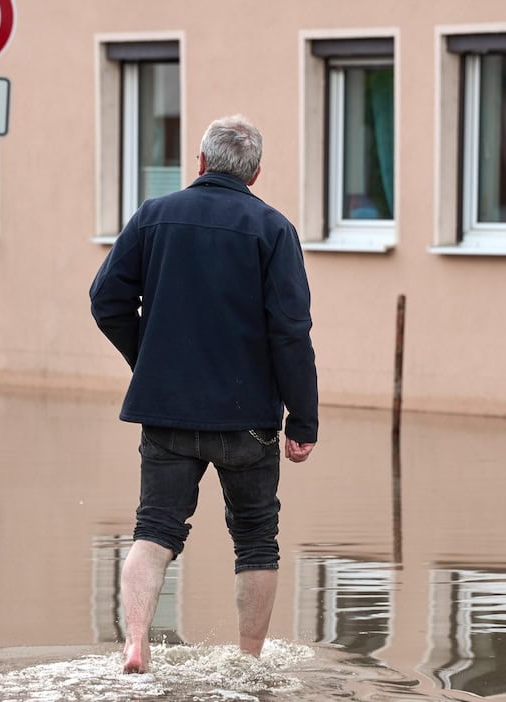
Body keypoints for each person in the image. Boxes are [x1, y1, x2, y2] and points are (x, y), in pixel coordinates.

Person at [89, 115, 319, 674]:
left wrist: (149, 362)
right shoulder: (273, 229)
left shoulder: (152, 217)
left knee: (154, 529)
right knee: (257, 539)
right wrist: (303, 421)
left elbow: (105, 300)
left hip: (166, 411)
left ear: (199, 162)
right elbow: (290, 330)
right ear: (256, 173)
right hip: (249, 421)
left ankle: (136, 644)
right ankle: (248, 662)